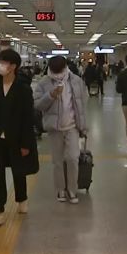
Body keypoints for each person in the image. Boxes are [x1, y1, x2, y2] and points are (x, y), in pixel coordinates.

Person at [0, 49, 38, 226]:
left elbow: (28, 117)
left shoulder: (23, 89)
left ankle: (22, 197)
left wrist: (26, 143)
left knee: (18, 170)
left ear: (13, 66)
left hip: (16, 136)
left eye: (3, 62)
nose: (0, 65)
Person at [34, 55, 87, 204]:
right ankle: (60, 189)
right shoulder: (44, 82)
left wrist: (83, 126)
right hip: (54, 128)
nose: (57, 74)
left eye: (59, 71)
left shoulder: (76, 81)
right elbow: (38, 105)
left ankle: (72, 189)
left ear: (65, 68)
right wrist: (51, 95)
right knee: (57, 161)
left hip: (72, 126)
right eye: (54, 71)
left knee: (73, 158)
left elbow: (82, 104)